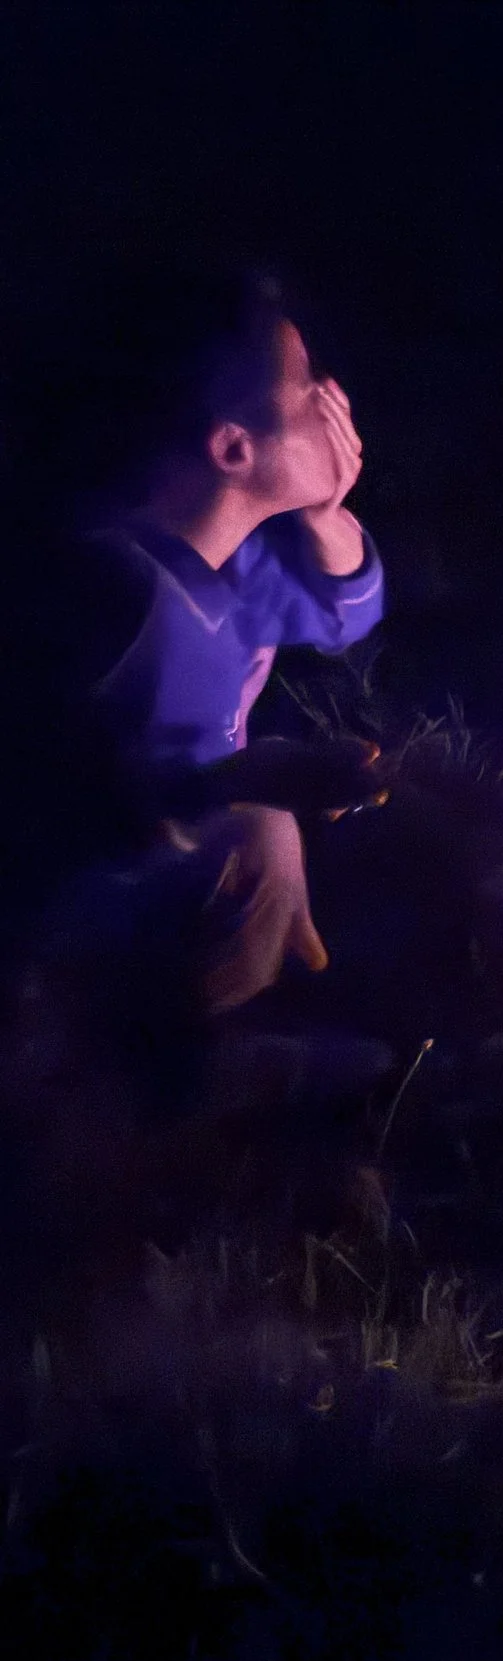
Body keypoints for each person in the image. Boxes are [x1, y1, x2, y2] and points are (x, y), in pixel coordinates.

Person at [2, 266, 394, 1135]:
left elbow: (342, 617)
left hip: (167, 845)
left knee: (279, 837)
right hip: (92, 888)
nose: (336, 405)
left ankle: (200, 1045)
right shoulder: (111, 595)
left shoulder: (239, 557)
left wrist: (331, 514)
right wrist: (240, 789)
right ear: (232, 449)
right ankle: (143, 1090)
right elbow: (56, 797)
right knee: (256, 843)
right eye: (306, 398)